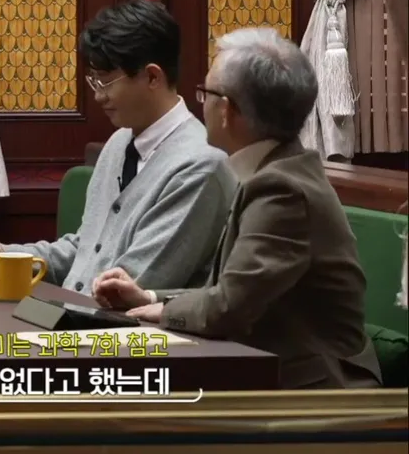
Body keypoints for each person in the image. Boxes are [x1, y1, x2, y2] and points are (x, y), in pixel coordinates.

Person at [93, 27, 382, 389]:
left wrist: (166, 311)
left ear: (226, 110)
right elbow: (232, 291)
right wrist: (149, 297)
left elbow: (228, 308)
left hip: (312, 392)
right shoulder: (276, 169)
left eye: (205, 92)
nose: (200, 102)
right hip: (264, 370)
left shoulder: (282, 190)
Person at [0, 0, 236, 295]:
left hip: (117, 324)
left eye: (106, 82)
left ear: (152, 77)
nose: (98, 96)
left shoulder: (199, 167)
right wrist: (3, 253)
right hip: (77, 314)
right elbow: (86, 251)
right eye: (94, 81)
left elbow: (132, 286)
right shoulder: (119, 143)